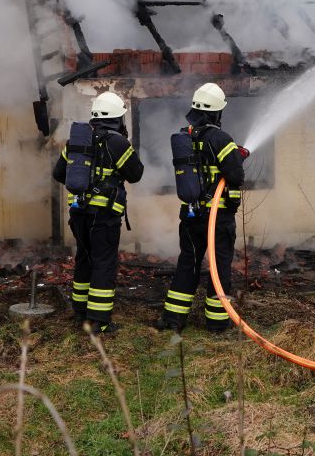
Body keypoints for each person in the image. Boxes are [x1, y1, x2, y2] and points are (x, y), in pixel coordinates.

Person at [157, 83, 249, 333]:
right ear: (217, 112)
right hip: (218, 217)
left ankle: (173, 319)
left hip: (191, 214)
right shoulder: (221, 139)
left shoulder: (184, 137)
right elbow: (235, 176)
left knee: (188, 262)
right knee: (219, 267)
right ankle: (217, 323)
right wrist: (237, 156)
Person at [52, 91, 143, 334]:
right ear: (117, 118)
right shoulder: (117, 143)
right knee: (104, 262)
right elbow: (136, 174)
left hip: (78, 212)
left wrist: (86, 184)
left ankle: (80, 312)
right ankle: (98, 320)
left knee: (84, 258)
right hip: (103, 216)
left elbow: (59, 173)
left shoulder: (76, 141)